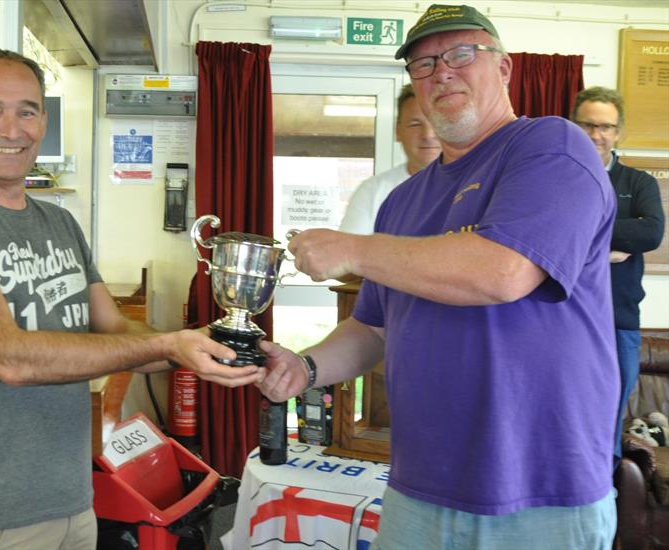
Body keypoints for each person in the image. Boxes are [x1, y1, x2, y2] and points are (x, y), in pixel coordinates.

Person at [257, 4, 619, 549]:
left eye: (461, 54)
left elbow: (503, 272)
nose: (441, 72)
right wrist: (304, 369)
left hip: (542, 489)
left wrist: (353, 249)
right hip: (419, 487)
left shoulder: (551, 145)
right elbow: (374, 329)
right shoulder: (403, 202)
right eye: (423, 65)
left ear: (504, 68)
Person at [0, 49, 262, 550]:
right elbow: (8, 357)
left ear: (43, 121)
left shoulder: (59, 223)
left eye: (26, 110)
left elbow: (115, 330)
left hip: (74, 502)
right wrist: (167, 347)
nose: (11, 128)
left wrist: (204, 346)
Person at [571, 86, 665, 464]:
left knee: (609, 415)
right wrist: (601, 251)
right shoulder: (556, 178)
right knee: (567, 410)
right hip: (564, 317)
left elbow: (651, 233)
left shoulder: (638, 183)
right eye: (588, 125)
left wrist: (583, 237)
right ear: (573, 126)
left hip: (618, 321)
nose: (597, 134)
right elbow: (550, 233)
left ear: (618, 132)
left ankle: (604, 498)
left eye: (606, 127)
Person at [339, 84, 441, 236]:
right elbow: (347, 254)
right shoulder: (373, 192)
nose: (427, 135)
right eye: (415, 125)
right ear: (398, 131)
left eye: (436, 123)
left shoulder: (475, 187)